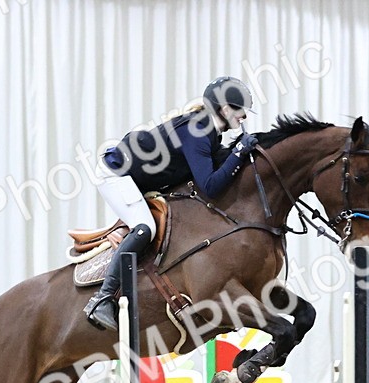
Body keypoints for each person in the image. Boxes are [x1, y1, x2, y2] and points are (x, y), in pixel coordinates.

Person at [83, 76, 259, 330]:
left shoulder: (208, 133)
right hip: (115, 174)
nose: (244, 118)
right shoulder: (197, 131)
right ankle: (102, 298)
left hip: (137, 178)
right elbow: (210, 186)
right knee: (146, 228)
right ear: (225, 109)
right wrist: (240, 152)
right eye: (240, 111)